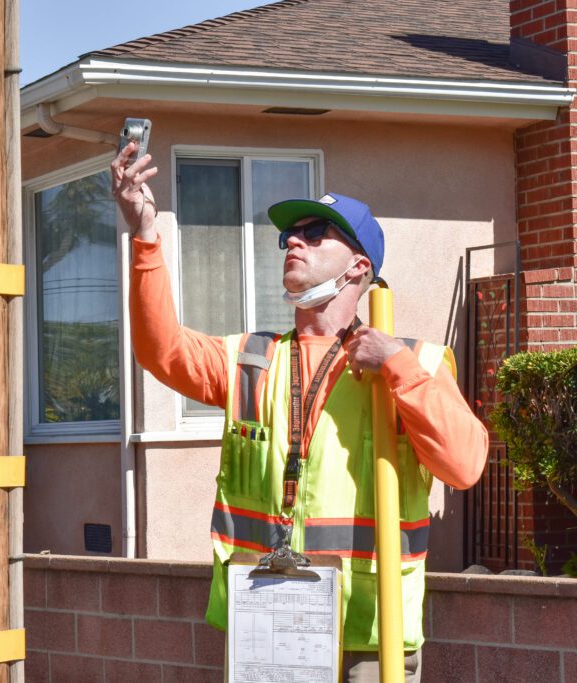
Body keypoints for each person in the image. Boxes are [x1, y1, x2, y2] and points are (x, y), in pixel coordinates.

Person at [111, 142, 489, 682]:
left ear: (359, 266)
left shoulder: (415, 363)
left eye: (315, 234)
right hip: (266, 626)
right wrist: (145, 232)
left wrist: (397, 365)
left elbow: (465, 465)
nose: (292, 240)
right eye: (288, 235)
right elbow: (160, 350)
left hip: (369, 636)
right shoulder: (251, 359)